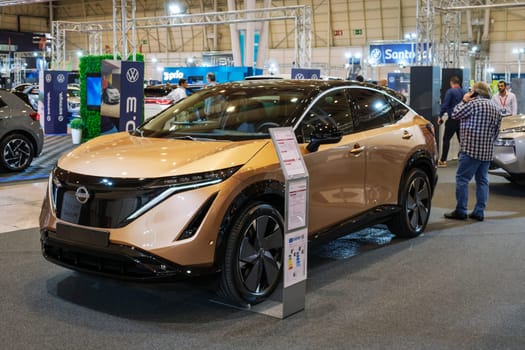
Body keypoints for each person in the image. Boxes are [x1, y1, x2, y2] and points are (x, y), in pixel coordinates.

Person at [444, 81, 502, 222]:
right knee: (482, 181)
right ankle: (479, 212)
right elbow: (496, 132)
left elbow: (455, 114)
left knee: (462, 179)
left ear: (475, 92)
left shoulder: (472, 104)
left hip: (470, 149)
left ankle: (461, 210)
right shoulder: (496, 107)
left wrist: (464, 100)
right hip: (486, 152)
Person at [437, 75, 464, 167]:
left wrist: (440, 115)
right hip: (463, 120)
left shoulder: (450, 91)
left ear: (451, 83)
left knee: (446, 139)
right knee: (463, 141)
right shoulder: (464, 92)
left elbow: (445, 104)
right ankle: (463, 159)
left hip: (452, 119)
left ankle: (443, 160)